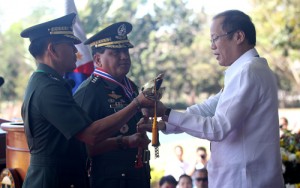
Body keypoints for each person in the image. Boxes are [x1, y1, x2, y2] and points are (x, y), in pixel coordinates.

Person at [138, 10, 284, 188]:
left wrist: (167, 112)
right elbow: (208, 108)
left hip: (244, 181)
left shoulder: (248, 71)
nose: (212, 46)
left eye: (215, 38)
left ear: (238, 36)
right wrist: (165, 123)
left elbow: (218, 128)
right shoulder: (249, 69)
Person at [20, 13, 153, 188]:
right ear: (52, 50)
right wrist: (136, 104)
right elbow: (90, 136)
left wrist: (125, 141)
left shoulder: (50, 83)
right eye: (70, 45)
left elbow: (78, 143)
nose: (76, 51)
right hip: (53, 181)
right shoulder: (48, 88)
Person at [73, 22, 151, 188]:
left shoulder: (130, 86)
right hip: (110, 180)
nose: (124, 56)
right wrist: (124, 141)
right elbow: (81, 146)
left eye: (125, 50)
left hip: (137, 176)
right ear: (97, 59)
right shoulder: (90, 92)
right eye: (115, 52)